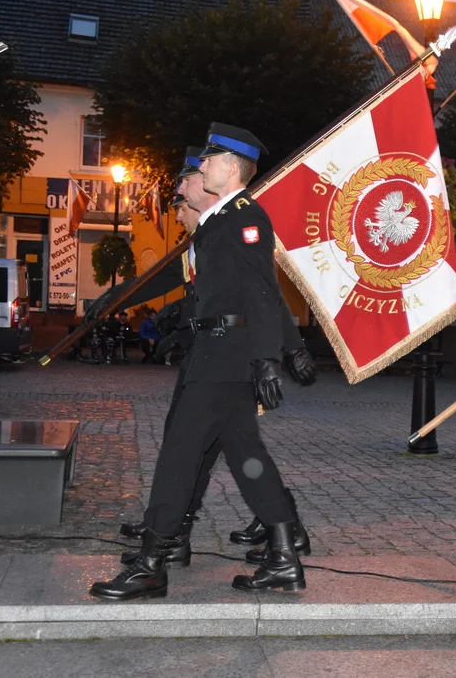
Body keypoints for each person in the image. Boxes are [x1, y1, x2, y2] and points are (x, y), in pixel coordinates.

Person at [89, 123, 306, 600]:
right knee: (248, 458)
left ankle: (152, 563)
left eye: (208, 160)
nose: (200, 166)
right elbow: (213, 296)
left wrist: (271, 357)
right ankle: (286, 558)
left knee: (178, 456)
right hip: (218, 355)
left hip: (225, 361)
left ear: (230, 168)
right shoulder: (220, 222)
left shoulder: (244, 218)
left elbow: (261, 292)